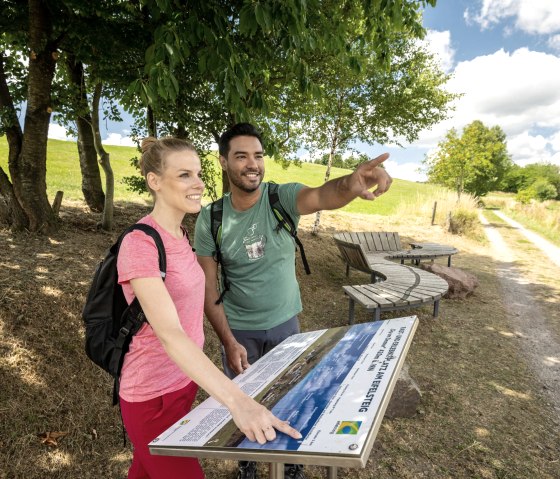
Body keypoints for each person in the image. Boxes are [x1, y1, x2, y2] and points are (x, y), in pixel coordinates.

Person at [194, 123, 392, 479]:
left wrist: (350, 183)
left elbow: (323, 195)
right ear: (224, 162)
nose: (252, 164)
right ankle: (248, 465)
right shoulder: (211, 218)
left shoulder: (280, 198)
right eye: (241, 156)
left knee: (292, 395)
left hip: (286, 323)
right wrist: (228, 340)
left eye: (257, 155)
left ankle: (292, 464)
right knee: (242, 402)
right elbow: (208, 288)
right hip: (238, 329)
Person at [116, 136, 301, 479]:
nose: (198, 183)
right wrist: (239, 402)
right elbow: (170, 334)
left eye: (198, 173)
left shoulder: (180, 236)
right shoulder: (140, 243)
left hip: (183, 384)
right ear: (154, 181)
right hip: (151, 396)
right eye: (184, 175)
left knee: (143, 471)